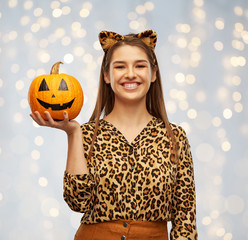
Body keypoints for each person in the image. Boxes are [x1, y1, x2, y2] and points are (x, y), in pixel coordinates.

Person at [30, 30, 197, 240]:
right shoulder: (87, 134)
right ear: (107, 75)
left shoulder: (175, 137)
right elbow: (78, 202)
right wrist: (73, 134)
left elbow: (186, 219)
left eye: (140, 65)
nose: (130, 74)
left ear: (153, 74)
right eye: (120, 66)